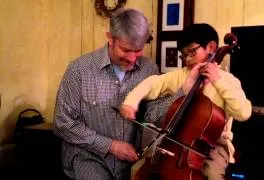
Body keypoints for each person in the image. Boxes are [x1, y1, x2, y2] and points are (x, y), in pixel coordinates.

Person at [120, 23, 252, 180]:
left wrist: (217, 80)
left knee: (213, 174)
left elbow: (243, 113)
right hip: (176, 140)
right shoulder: (181, 75)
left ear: (211, 47)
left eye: (192, 52)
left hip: (213, 145)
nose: (188, 60)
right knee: (138, 169)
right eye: (183, 55)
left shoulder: (228, 81)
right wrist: (131, 102)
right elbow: (151, 83)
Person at [53, 8, 170, 180]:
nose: (131, 58)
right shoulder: (79, 70)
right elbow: (62, 123)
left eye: (137, 51)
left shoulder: (149, 69)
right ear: (110, 38)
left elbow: (153, 115)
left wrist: (185, 89)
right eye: (125, 50)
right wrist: (111, 146)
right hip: (88, 159)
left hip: (130, 163)